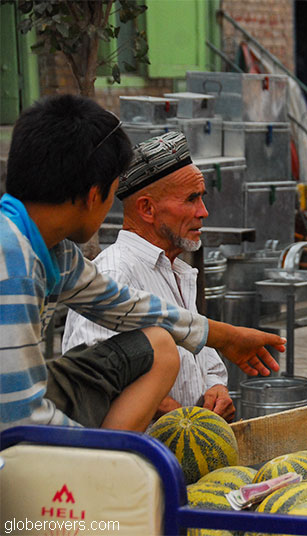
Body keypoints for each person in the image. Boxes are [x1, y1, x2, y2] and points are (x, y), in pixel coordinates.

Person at [0, 94, 285, 434]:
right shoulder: (12, 263)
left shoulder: (55, 252)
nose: (203, 212)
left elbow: (126, 306)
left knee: (159, 343)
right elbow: (18, 417)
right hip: (15, 425)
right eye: (111, 195)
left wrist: (226, 337)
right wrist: (90, 458)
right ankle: (107, 465)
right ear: (94, 195)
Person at [62, 132, 234, 422]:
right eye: (191, 199)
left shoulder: (176, 270)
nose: (203, 212)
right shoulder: (115, 272)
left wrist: (216, 387)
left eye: (201, 198)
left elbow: (201, 356)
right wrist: (184, 421)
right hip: (136, 461)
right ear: (147, 209)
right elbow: (96, 382)